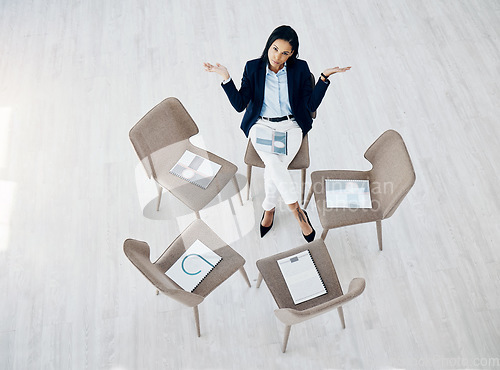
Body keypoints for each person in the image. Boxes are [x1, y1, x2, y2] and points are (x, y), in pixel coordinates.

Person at [204, 25, 350, 242]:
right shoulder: (253, 67)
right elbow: (239, 104)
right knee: (274, 164)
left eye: (285, 53)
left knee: (274, 167)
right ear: (268, 45)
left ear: (292, 54)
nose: (277, 56)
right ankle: (298, 213)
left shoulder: (300, 69)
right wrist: (226, 77)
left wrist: (323, 78)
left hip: (291, 127)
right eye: (275, 49)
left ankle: (269, 209)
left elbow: (310, 103)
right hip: (260, 126)